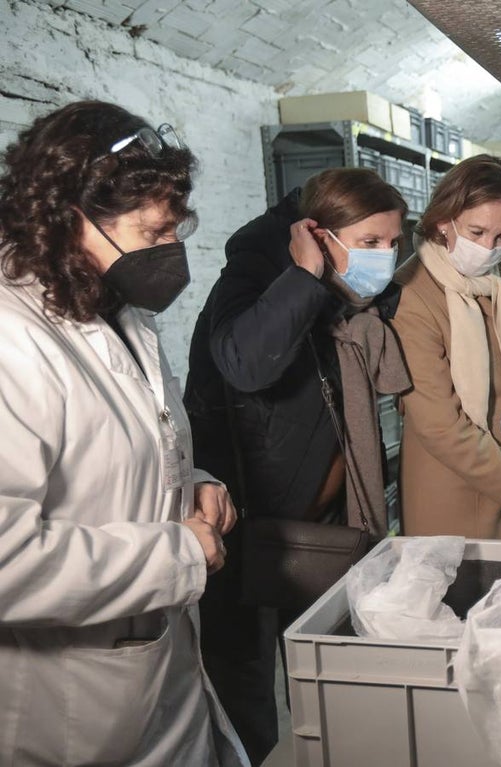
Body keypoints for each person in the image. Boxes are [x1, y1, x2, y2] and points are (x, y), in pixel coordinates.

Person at [0, 101, 246, 765]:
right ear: (67, 218)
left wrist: (192, 483)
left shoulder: (120, 313)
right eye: (151, 232)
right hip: (73, 711)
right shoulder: (11, 340)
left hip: (165, 675)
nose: (169, 251)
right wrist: (176, 556)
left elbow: (135, 443)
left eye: (173, 229)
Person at [183, 167, 411, 763]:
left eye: (393, 242)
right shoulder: (257, 270)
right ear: (317, 235)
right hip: (249, 522)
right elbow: (246, 363)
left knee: (330, 674)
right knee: (247, 688)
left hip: (324, 516)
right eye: (369, 243)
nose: (385, 258)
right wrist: (304, 272)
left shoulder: (355, 291)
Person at [391, 154, 501, 538]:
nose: (488, 248)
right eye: (476, 233)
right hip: (457, 485)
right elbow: (438, 424)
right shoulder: (412, 292)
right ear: (442, 220)